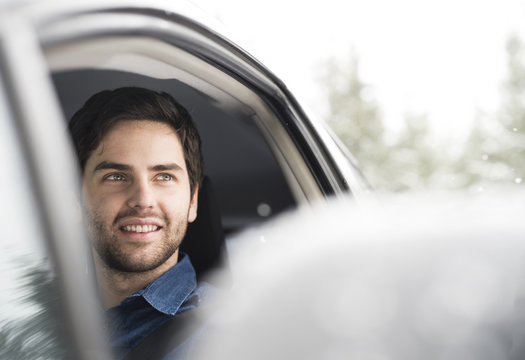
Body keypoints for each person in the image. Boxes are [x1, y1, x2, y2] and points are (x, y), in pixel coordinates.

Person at [68, 87, 213, 360]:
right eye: (116, 177)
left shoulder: (231, 334)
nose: (143, 200)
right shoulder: (30, 320)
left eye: (164, 177)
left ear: (193, 200)